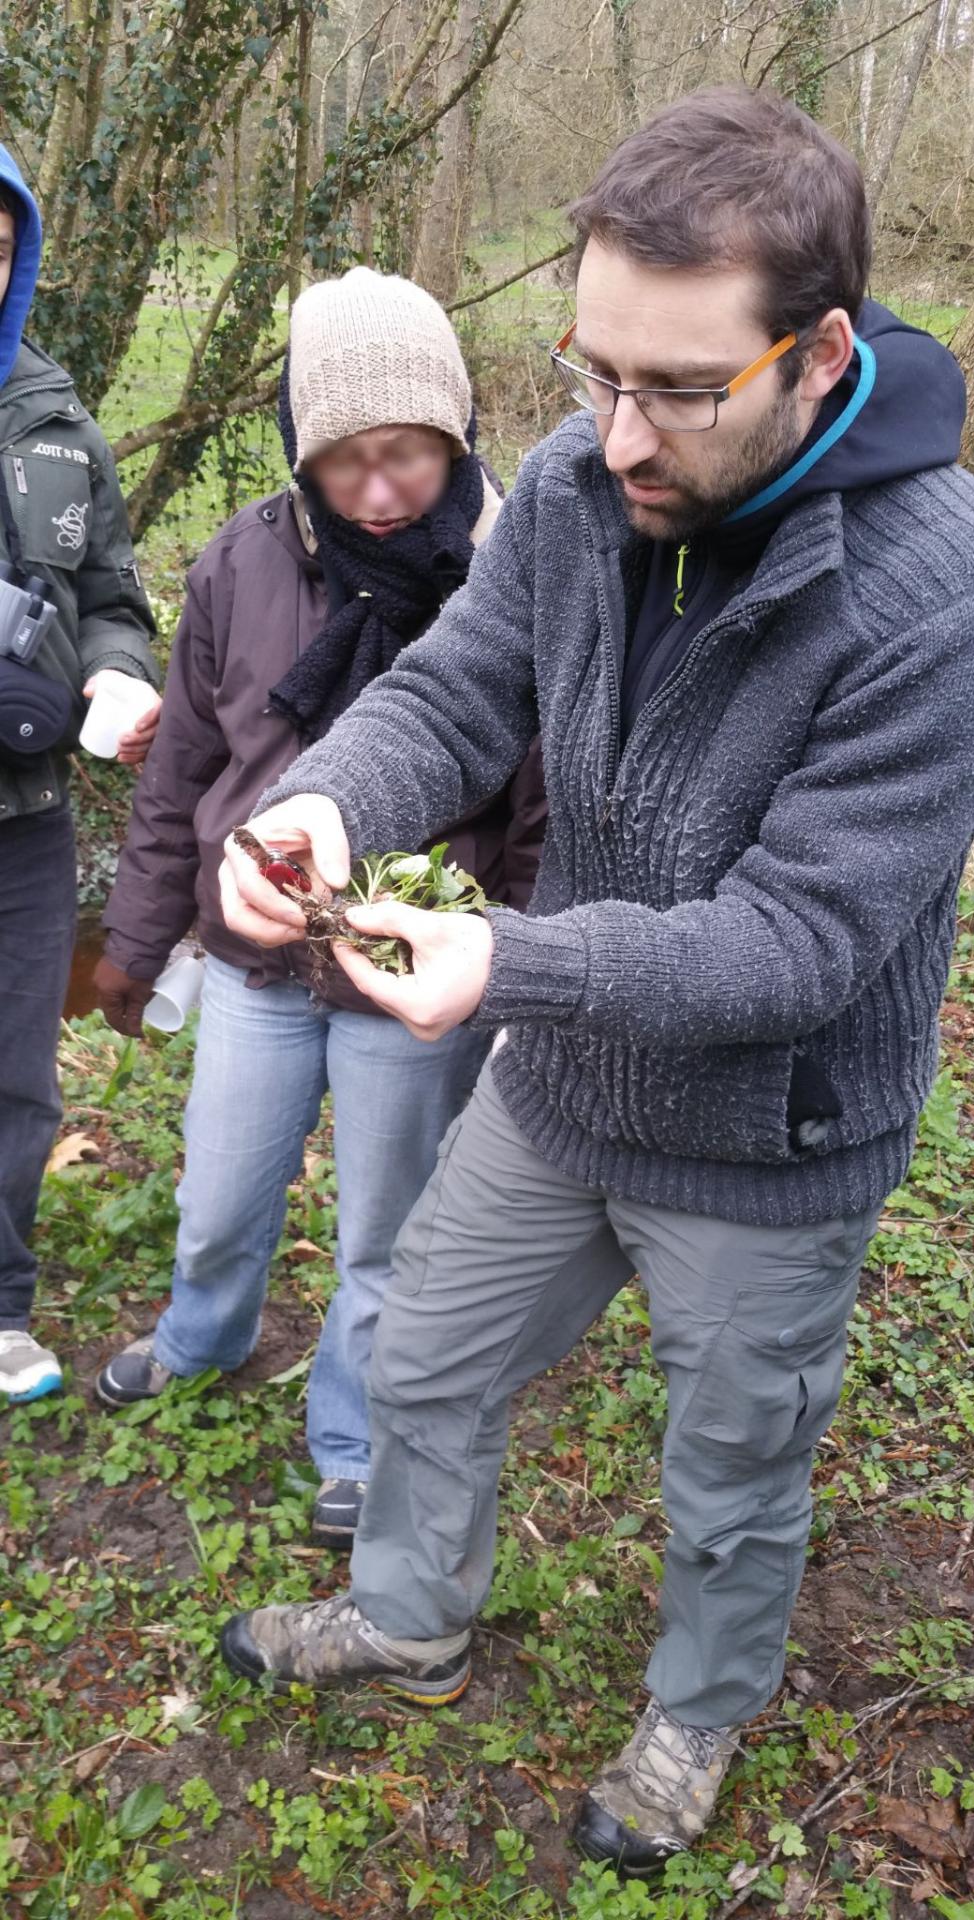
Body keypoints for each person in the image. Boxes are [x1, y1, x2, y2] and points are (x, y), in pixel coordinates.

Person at [214, 90, 974, 1871]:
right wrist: (330, 800)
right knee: (418, 1355)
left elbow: (797, 942)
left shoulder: (940, 593)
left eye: (680, 389)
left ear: (822, 353)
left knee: (730, 1478)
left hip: (770, 1142)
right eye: (590, 369)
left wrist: (505, 959)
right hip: (562, 1095)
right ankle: (409, 1614)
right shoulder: (576, 486)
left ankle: (696, 1720)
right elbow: (460, 690)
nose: (619, 433)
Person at [93, 269, 544, 1550]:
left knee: (385, 1232)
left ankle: (352, 1435)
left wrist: (516, 976)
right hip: (251, 954)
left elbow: (541, 806)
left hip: (411, 970)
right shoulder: (247, 557)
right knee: (223, 1188)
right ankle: (203, 1330)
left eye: (405, 456)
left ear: (452, 432)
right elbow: (187, 761)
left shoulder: (510, 575)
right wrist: (137, 940)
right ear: (303, 453)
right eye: (344, 463)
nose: (381, 491)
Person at [0, 149, 159, 1405]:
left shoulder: (61, 426)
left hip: (28, 813)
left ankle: (1, 1308)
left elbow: (113, 597)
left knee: (17, 1075)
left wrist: (113, 672)